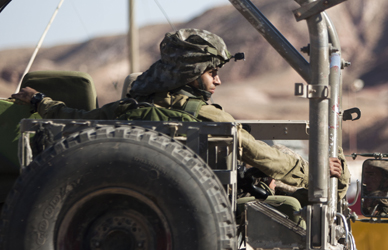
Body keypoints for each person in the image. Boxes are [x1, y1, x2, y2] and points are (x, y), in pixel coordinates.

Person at [11, 28, 351, 199]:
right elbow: (266, 157)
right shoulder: (208, 118)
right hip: (198, 211)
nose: (217, 79)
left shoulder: (127, 111)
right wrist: (319, 172)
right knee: (290, 207)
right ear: (191, 73)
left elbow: (75, 119)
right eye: (211, 71)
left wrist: (39, 100)